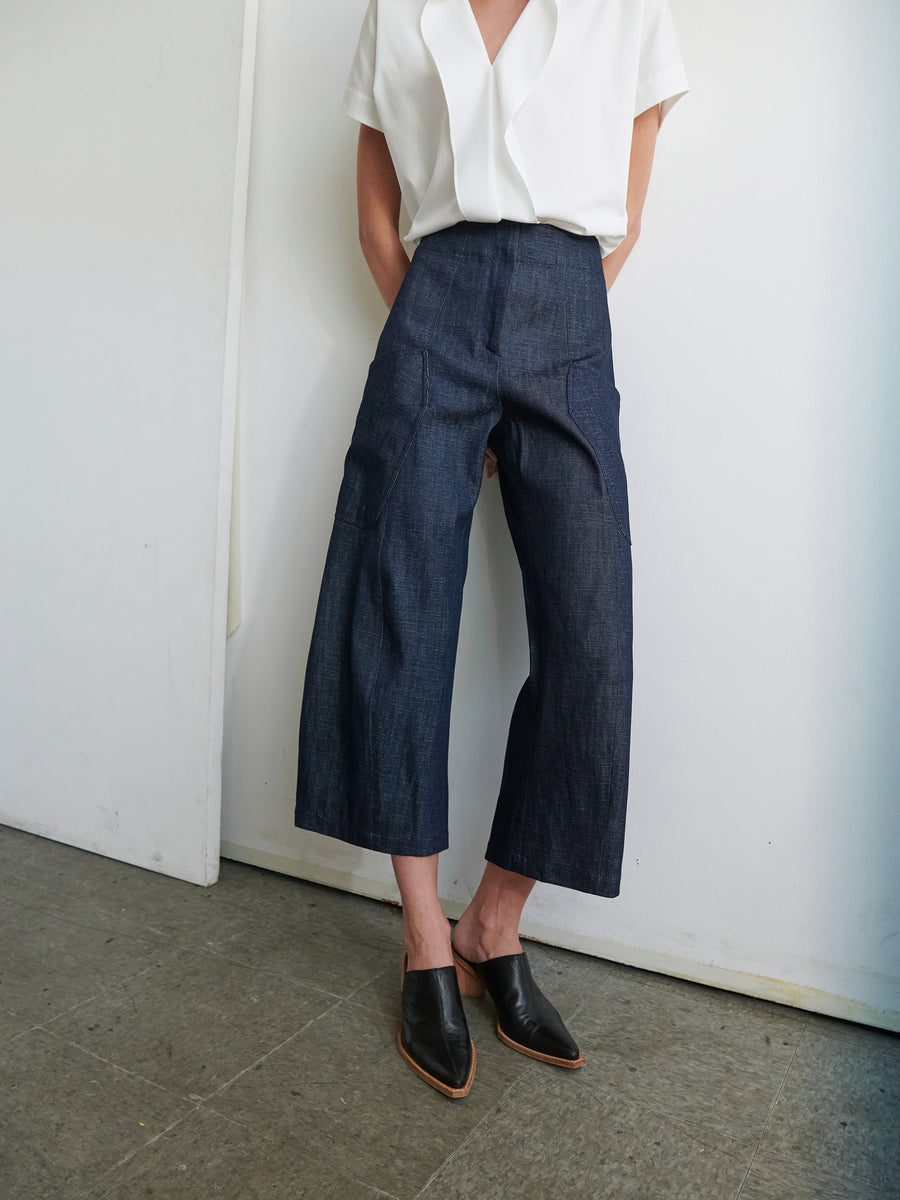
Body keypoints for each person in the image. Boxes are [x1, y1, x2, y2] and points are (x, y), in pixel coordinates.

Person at [295, 0, 689, 1098]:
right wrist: (437, 337)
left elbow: (629, 209)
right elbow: (378, 216)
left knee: (592, 641)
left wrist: (543, 346)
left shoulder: (628, 10)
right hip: (435, 306)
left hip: (569, 308)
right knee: (395, 608)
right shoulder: (402, 10)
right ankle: (424, 934)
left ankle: (494, 922)